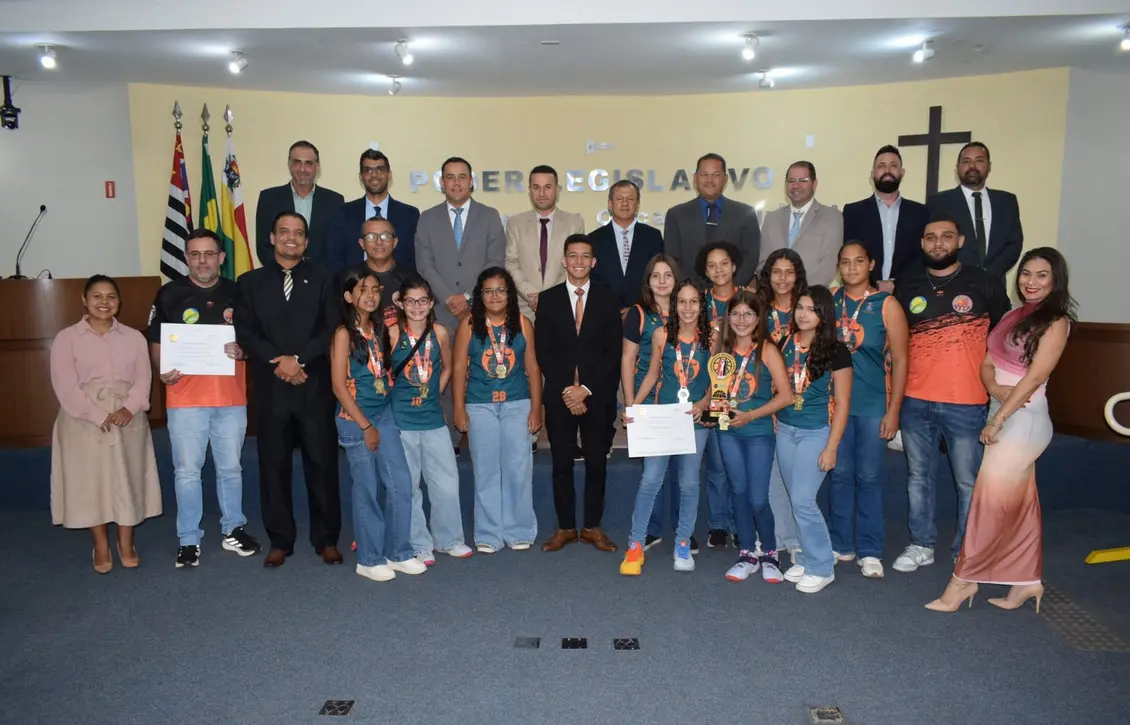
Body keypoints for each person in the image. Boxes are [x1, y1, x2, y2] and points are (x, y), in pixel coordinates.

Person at [926, 248, 1073, 612]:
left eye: (1041, 275)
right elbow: (988, 362)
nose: (1031, 282)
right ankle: (1026, 581)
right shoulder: (1012, 314)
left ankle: (963, 581)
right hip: (1004, 409)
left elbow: (1036, 376)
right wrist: (995, 391)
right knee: (1021, 504)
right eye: (1026, 273)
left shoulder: (1057, 321)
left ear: (1055, 280)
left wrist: (998, 417)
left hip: (1023, 421)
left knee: (986, 503)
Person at [892, 213, 1010, 574]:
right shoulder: (908, 286)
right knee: (918, 477)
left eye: (946, 237)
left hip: (968, 401)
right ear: (922, 243)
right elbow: (896, 346)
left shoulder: (984, 282)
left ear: (960, 241)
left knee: (967, 481)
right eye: (930, 238)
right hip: (915, 400)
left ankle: (967, 549)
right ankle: (921, 544)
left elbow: (1005, 339)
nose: (937, 243)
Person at [235, 211, 343, 568]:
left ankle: (326, 539)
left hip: (313, 386)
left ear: (307, 241)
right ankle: (280, 540)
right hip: (271, 389)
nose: (291, 238)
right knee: (273, 466)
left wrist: (298, 360)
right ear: (272, 238)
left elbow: (330, 327)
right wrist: (279, 362)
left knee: (322, 465)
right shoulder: (249, 282)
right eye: (284, 232)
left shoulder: (324, 277)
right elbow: (247, 332)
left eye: (298, 233)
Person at [148, 229, 260, 568]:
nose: (202, 260)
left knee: (230, 468)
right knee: (187, 471)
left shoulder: (239, 293)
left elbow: (254, 337)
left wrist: (244, 350)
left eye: (209, 254)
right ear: (186, 257)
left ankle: (233, 528)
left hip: (230, 397)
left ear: (221, 258)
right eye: (195, 254)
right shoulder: (169, 294)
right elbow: (156, 342)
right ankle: (188, 538)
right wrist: (160, 369)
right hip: (184, 398)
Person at [50, 275, 161, 573]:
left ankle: (126, 543)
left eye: (111, 296)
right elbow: (65, 386)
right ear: (84, 301)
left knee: (128, 479)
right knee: (91, 483)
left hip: (128, 416)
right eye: (96, 296)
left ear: (119, 303)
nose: (104, 302)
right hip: (83, 418)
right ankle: (100, 545)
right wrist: (98, 416)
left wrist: (130, 407)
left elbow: (143, 379)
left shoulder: (134, 337)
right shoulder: (67, 338)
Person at [330, 266, 426, 582]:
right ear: (348, 296)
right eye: (362, 289)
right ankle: (369, 559)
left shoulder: (379, 330)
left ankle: (399, 552)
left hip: (383, 415)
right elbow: (338, 387)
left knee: (400, 481)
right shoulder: (344, 333)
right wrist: (365, 426)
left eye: (375, 289)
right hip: (356, 420)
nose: (370, 295)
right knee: (367, 489)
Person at [535, 234, 623, 553]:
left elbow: (612, 352)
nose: (579, 262)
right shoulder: (548, 298)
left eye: (585, 257)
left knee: (597, 463)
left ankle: (592, 528)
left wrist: (584, 390)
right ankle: (566, 528)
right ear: (564, 260)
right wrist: (567, 391)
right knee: (561, 463)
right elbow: (544, 351)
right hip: (559, 397)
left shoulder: (608, 298)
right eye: (573, 256)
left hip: (596, 396)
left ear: (594, 262)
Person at [620, 279, 714, 575]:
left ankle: (683, 541)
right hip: (663, 417)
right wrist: (633, 405)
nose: (688, 308)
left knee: (688, 484)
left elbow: (719, 381)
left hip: (695, 421)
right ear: (675, 305)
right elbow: (652, 374)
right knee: (651, 480)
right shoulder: (661, 334)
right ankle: (635, 543)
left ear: (702, 305)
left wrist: (703, 403)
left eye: (694, 302)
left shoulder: (713, 337)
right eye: (682, 302)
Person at [828, 242, 909, 578]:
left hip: (874, 403)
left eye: (858, 261)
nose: (851, 268)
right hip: (836, 406)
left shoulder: (886, 304)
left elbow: (902, 360)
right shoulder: (830, 301)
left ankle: (871, 549)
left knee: (870, 477)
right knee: (840, 476)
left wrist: (894, 411)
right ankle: (839, 545)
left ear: (871, 264)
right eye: (845, 262)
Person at [415, 156, 507, 452]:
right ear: (442, 183)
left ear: (471, 181)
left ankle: (481, 438)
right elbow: (424, 265)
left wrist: (468, 297)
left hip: (478, 311)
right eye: (450, 177)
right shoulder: (427, 218)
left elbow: (495, 261)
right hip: (440, 312)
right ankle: (448, 440)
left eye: (462, 176)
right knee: (441, 372)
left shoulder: (490, 215)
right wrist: (448, 298)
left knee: (480, 373)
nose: (456, 182)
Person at [452, 267, 543, 553]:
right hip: (480, 406)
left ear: (510, 294)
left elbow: (533, 368)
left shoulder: (524, 323)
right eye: (488, 290)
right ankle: (488, 533)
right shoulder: (468, 324)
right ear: (480, 295)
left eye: (500, 290)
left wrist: (536, 410)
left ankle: (519, 530)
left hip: (518, 404)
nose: (494, 296)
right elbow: (457, 369)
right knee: (487, 470)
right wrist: (458, 409)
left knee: (518, 468)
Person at [388, 275, 473, 563]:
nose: (416, 307)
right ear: (400, 302)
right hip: (402, 421)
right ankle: (418, 543)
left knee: (446, 483)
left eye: (422, 300)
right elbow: (382, 372)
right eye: (410, 301)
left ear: (431, 302)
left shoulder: (439, 332)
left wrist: (434, 392)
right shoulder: (392, 333)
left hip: (434, 419)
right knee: (408, 486)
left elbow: (448, 367)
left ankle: (449, 539)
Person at [776, 286, 852, 594]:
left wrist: (832, 446)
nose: (803, 314)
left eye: (811, 309)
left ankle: (822, 566)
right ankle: (808, 557)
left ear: (823, 314)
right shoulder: (783, 342)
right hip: (784, 429)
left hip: (815, 432)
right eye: (800, 307)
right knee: (796, 500)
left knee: (804, 501)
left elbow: (844, 403)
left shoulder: (836, 350)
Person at [714, 290, 794, 583]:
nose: (741, 320)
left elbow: (786, 396)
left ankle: (770, 553)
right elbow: (717, 394)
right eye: (735, 314)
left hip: (758, 432)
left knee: (759, 498)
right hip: (728, 433)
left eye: (748, 314)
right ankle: (747, 552)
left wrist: (750, 415)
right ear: (728, 318)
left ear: (758, 318)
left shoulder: (767, 350)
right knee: (738, 494)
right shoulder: (722, 351)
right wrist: (706, 410)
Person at [620, 254, 694, 552]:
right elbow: (628, 359)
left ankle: (683, 531)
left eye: (668, 275)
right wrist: (629, 404)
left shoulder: (687, 312)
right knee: (653, 472)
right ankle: (650, 530)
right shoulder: (638, 313)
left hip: (681, 401)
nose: (662, 281)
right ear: (648, 281)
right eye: (655, 276)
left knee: (683, 470)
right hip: (647, 401)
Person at [756, 248, 809, 561]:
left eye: (789, 272)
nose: (783, 278)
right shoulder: (759, 310)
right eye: (777, 272)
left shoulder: (808, 308)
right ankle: (779, 537)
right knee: (773, 473)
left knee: (798, 475)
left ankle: (799, 538)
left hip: (803, 404)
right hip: (766, 401)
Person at [697, 240, 744, 548]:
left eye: (724, 263)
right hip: (709, 391)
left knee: (738, 464)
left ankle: (741, 522)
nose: (718, 270)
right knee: (715, 462)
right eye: (712, 265)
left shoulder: (749, 300)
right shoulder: (697, 303)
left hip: (743, 391)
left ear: (734, 266)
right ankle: (717, 523)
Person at [927, 142, 1024, 281]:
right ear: (958, 167)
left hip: (994, 285)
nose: (972, 166)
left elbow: (1014, 244)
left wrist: (991, 273)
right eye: (966, 161)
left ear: (989, 167)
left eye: (979, 161)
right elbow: (934, 245)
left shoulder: (1006, 202)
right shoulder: (938, 202)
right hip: (953, 284)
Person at [664, 153, 762, 286]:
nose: (709, 180)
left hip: (732, 298)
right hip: (689, 299)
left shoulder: (745, 214)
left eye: (716, 175)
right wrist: (690, 292)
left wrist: (730, 289)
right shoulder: (676, 215)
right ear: (695, 178)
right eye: (704, 174)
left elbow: (750, 258)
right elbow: (672, 260)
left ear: (725, 179)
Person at [841, 145, 930, 290]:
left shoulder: (920, 212)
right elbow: (850, 256)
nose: (887, 170)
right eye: (881, 166)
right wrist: (874, 284)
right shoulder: (853, 212)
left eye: (893, 165)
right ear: (872, 173)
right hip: (863, 292)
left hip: (908, 292)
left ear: (902, 172)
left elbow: (921, 257)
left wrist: (895, 283)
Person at [504, 165, 586, 320]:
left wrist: (549, 298)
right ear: (530, 190)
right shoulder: (515, 223)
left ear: (557, 190)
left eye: (547, 187)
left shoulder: (574, 223)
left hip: (563, 306)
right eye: (536, 187)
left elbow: (576, 265)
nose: (541, 193)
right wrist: (532, 295)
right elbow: (510, 263)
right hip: (525, 308)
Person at [326, 149, 421, 274]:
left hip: (398, 287)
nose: (374, 175)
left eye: (380, 170)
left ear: (389, 174)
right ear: (361, 176)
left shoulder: (410, 214)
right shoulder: (343, 213)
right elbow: (335, 259)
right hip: (355, 287)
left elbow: (413, 260)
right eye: (368, 170)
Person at [255, 140, 344, 268]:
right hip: (279, 279)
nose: (302, 169)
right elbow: (263, 246)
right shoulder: (269, 198)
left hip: (321, 280)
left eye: (308, 163)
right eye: (297, 162)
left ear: (317, 167)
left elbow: (336, 247)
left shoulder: (334, 201)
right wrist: (284, 272)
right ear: (289, 164)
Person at [757, 161, 844, 288]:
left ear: (814, 184)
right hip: (775, 298)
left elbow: (828, 265)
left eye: (803, 180)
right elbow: (763, 263)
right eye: (791, 180)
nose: (796, 185)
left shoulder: (832, 217)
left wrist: (802, 295)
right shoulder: (772, 218)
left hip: (811, 298)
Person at [591, 179, 665, 312]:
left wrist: (637, 308)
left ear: (637, 205)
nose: (625, 203)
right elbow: (594, 280)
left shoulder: (652, 236)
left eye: (630, 199)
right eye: (619, 199)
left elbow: (657, 276)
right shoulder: (594, 239)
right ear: (610, 204)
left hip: (645, 312)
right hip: (605, 313)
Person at [354, 216, 412, 328]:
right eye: (371, 236)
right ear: (362, 243)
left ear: (395, 242)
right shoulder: (350, 278)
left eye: (386, 236)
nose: (379, 242)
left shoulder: (411, 278)